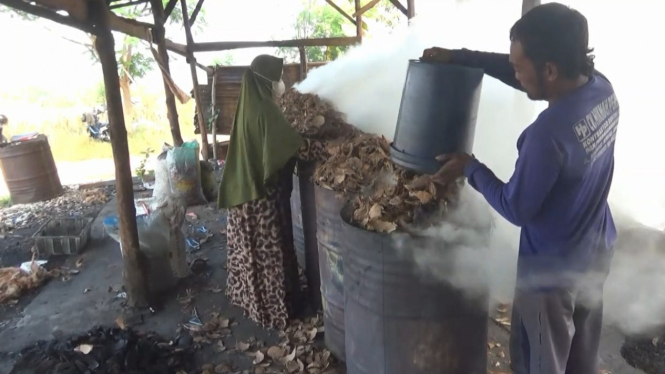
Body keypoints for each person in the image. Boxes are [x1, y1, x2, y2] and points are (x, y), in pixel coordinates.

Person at [421, 3, 617, 374]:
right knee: (580, 358)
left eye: (518, 66)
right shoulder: (601, 88)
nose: (514, 72)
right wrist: (462, 58)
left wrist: (471, 168)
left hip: (551, 276)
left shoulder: (547, 134)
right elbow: (527, 75)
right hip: (596, 250)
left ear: (549, 70)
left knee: (541, 362)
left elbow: (516, 207)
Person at [217, 55, 328, 330]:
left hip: (244, 195)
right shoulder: (265, 110)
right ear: (266, 80)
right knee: (269, 256)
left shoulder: (249, 106)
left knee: (252, 256)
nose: (282, 83)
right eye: (278, 77)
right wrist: (330, 148)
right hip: (260, 202)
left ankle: (255, 305)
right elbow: (295, 148)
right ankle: (275, 312)